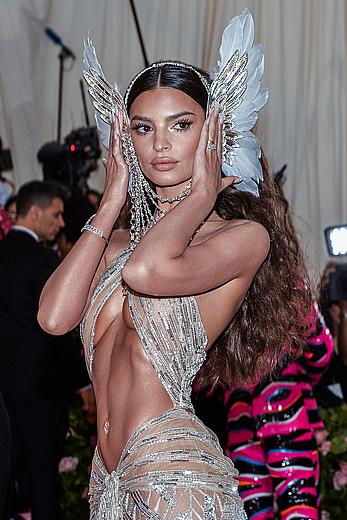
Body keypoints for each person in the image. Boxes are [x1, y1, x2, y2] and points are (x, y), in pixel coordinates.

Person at [38, 10, 310, 519]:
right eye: (143, 128)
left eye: (181, 125)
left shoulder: (241, 237)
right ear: (127, 141)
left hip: (177, 476)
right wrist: (111, 199)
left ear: (212, 135)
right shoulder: (114, 240)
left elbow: (147, 273)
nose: (160, 143)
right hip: (108, 482)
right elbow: (53, 317)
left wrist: (204, 191)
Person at [0, 180, 93, 519]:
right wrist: (82, 382)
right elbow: (58, 330)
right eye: (55, 215)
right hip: (41, 389)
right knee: (43, 482)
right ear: (34, 212)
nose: (59, 223)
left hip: (5, 390)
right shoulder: (42, 260)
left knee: (12, 478)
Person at [224, 303, 333, 520]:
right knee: (262, 509)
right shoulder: (225, 292)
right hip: (255, 423)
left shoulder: (290, 292)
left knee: (293, 507)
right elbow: (321, 354)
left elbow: (321, 355)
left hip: (279, 421)